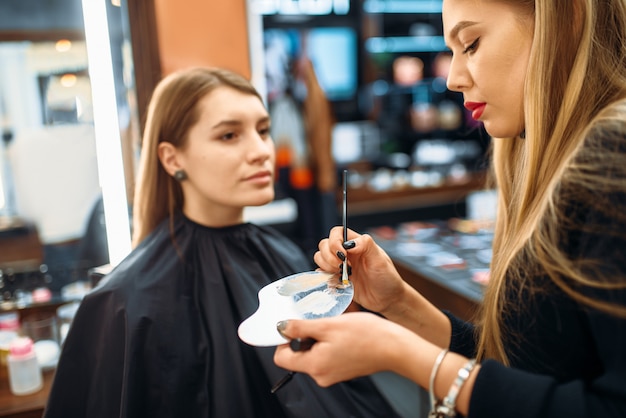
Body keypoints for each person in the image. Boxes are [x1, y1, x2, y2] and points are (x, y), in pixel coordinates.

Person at [274, 1, 626, 417]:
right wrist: (398, 303)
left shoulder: (610, 161)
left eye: (471, 44)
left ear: (563, 21)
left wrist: (404, 354)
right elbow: (523, 369)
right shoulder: (546, 160)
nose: (454, 79)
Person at [44, 67, 401, 417]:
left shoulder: (287, 254)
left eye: (263, 130)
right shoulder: (123, 300)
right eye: (229, 135)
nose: (261, 150)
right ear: (172, 158)